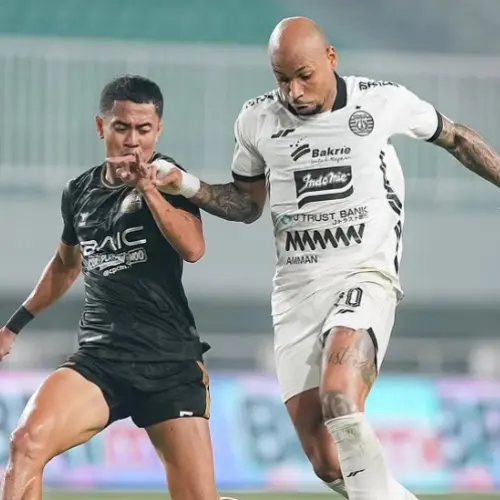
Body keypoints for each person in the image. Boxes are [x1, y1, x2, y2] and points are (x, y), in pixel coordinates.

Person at [155, 17, 500, 500]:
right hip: (296, 293)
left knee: (339, 395)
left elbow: (457, 137)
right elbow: (246, 205)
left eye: (304, 75)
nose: (293, 91)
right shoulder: (257, 119)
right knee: (326, 461)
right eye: (281, 79)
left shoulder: (380, 102)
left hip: (364, 275)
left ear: (331, 58)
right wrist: (186, 185)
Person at [0, 75, 219, 500]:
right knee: (26, 444)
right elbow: (66, 266)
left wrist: (147, 189)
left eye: (143, 129)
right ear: (101, 127)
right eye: (122, 127)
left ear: (158, 130)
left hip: (169, 362)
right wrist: (12, 327)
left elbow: (194, 248)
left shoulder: (170, 179)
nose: (132, 141)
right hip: (101, 360)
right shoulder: (79, 192)